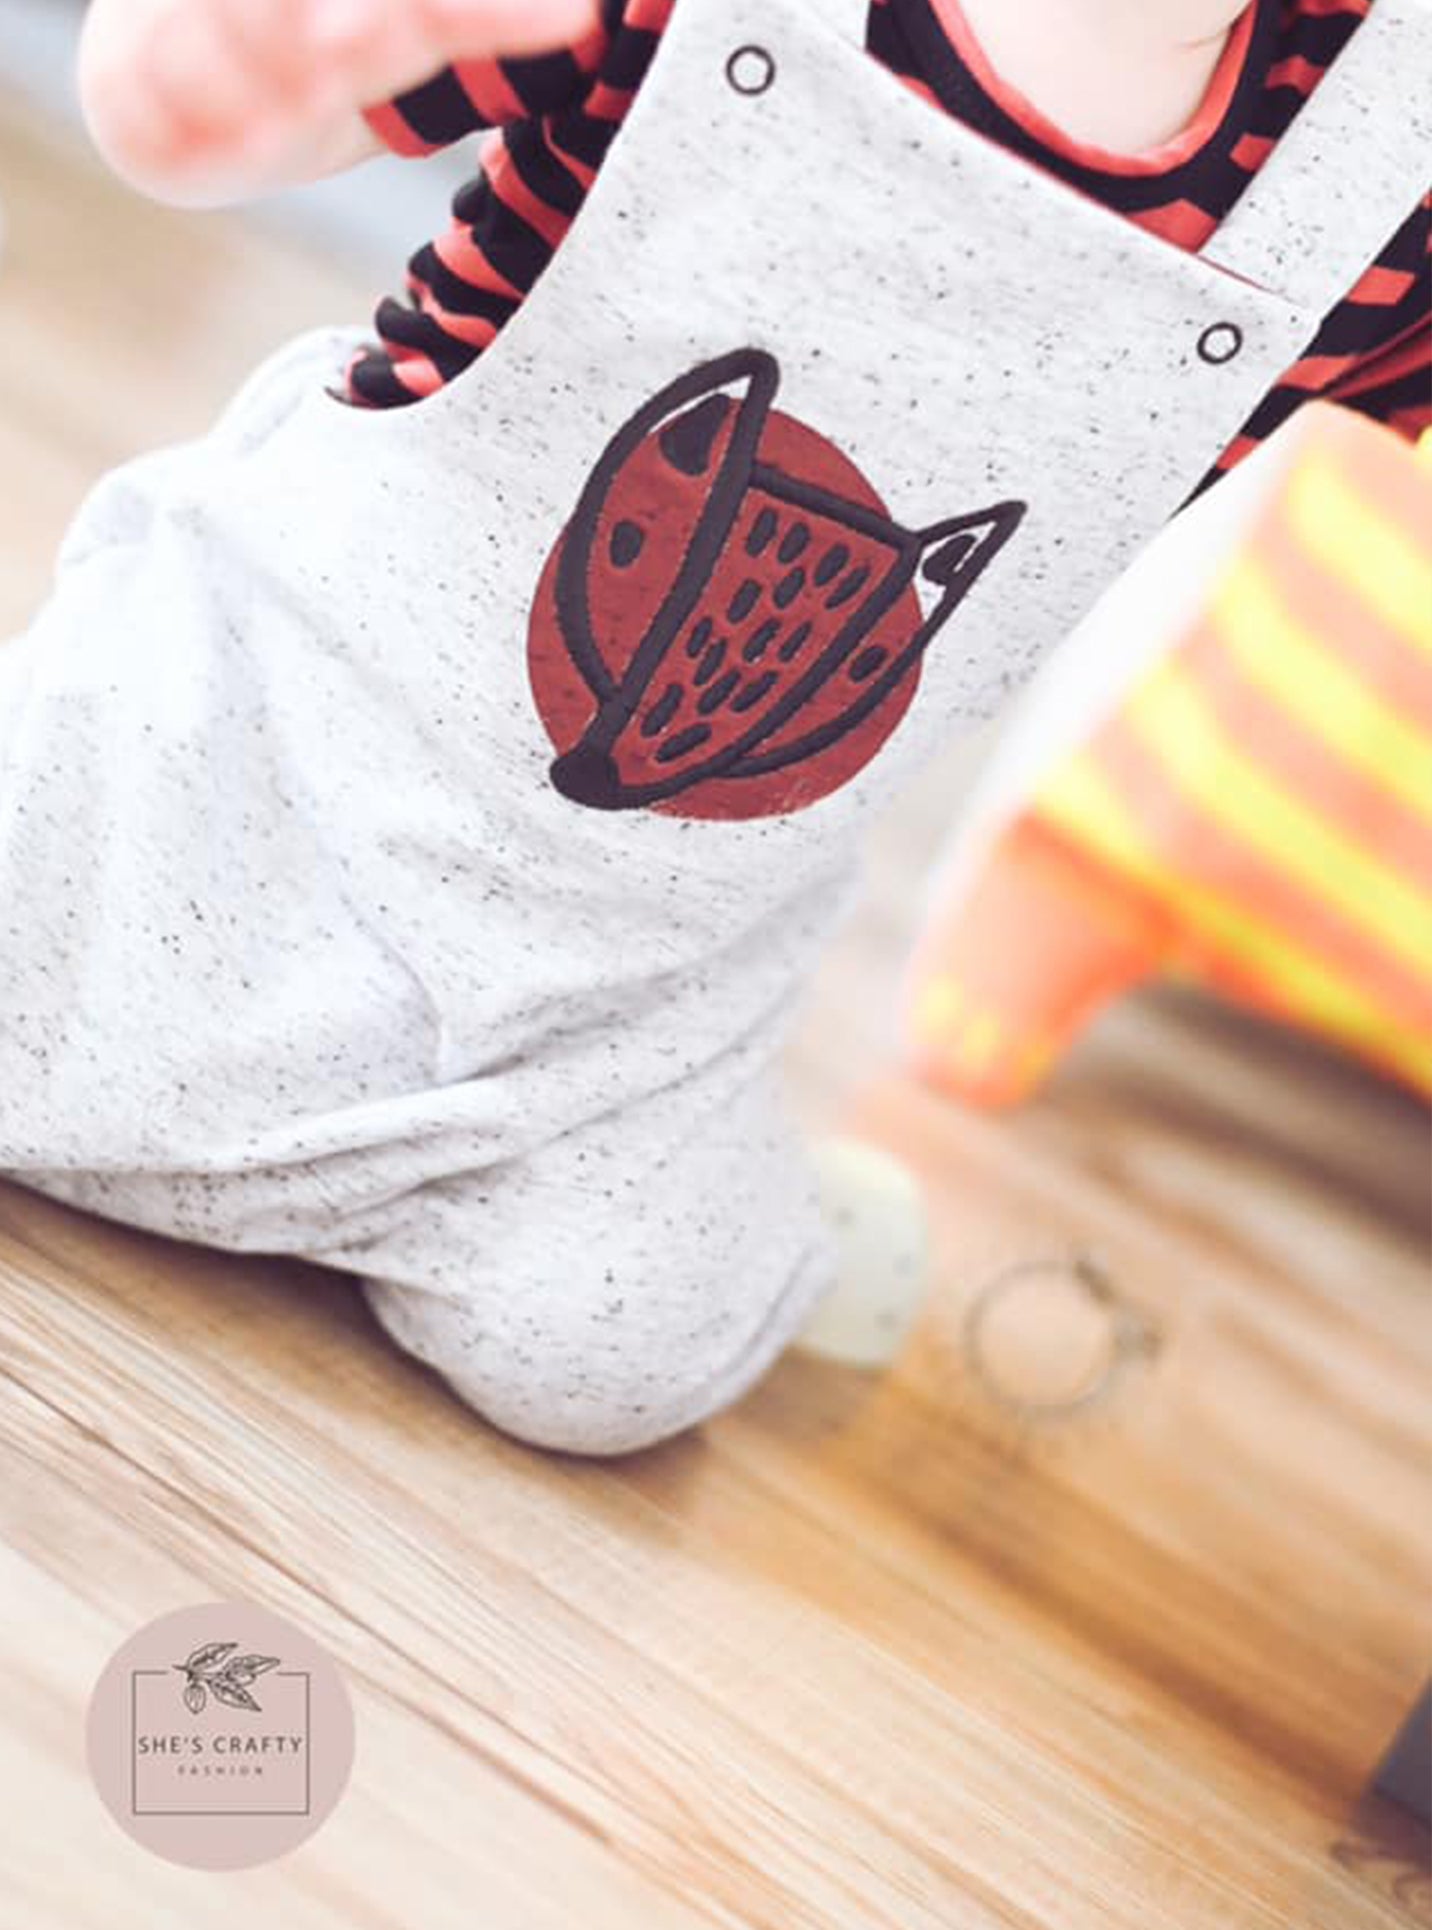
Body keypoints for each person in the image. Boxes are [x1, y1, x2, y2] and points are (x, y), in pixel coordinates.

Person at [0, 0, 1425, 1453]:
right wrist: (211, 77)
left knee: (612, 1357)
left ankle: (768, 1227)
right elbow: (233, 102)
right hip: (216, 753)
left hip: (611, 1022)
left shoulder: (1388, 176)